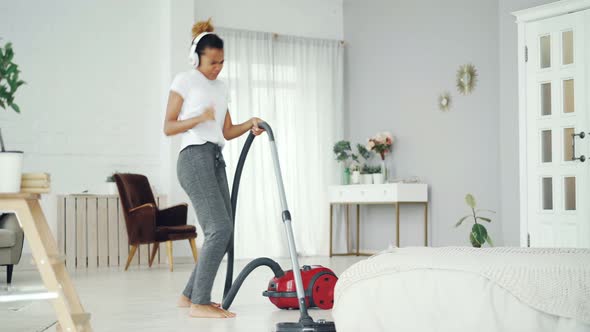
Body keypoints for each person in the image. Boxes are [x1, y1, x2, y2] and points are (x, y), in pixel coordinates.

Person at [163, 18, 264, 319]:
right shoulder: (185, 80)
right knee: (219, 228)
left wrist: (250, 124)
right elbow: (168, 126)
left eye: (221, 62)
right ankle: (200, 302)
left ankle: (187, 295)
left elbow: (227, 130)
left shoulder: (221, 87)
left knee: (224, 231)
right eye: (211, 62)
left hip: (215, 158)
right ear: (197, 58)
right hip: (193, 157)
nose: (217, 68)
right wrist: (198, 118)